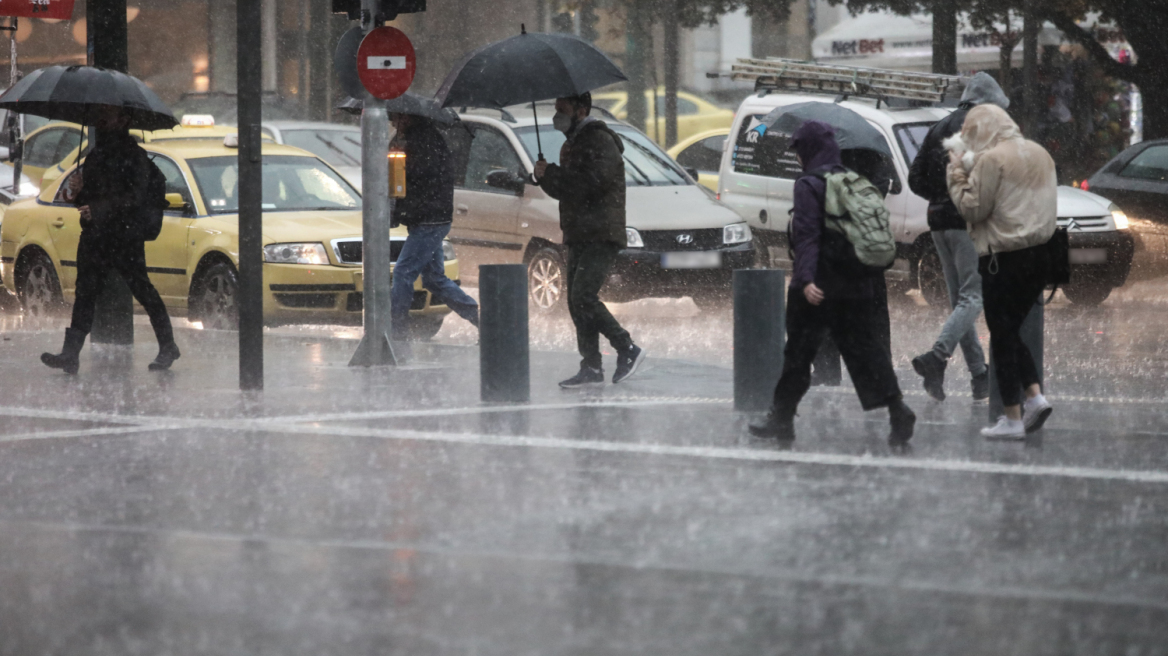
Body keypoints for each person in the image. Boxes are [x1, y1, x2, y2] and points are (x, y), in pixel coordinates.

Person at [749, 120, 915, 442]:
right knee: (866, 352)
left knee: (798, 355)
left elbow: (807, 236)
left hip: (820, 285)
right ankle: (898, 410)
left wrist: (805, 279)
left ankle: (781, 419)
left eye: (798, 150)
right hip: (857, 283)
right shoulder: (852, 180)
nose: (797, 157)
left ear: (809, 150)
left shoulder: (809, 184)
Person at [41, 107, 179, 375]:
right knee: (85, 292)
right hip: (95, 237)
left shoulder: (135, 157)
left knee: (142, 289)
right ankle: (70, 354)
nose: (101, 118)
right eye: (100, 114)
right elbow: (90, 200)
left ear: (123, 120)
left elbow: (135, 198)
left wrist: (99, 209)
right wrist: (78, 192)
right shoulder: (96, 155)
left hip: (124, 237)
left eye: (108, 114)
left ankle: (168, 345)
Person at [946, 104, 1056, 439]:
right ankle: (1034, 398)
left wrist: (956, 173)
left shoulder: (993, 159)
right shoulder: (1040, 153)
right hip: (1042, 256)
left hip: (1004, 258)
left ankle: (1013, 417)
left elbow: (973, 208)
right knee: (1009, 331)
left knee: (1002, 336)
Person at [907, 72, 1011, 402]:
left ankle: (979, 376)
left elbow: (915, 178)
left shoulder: (940, 126)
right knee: (974, 296)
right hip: (967, 221)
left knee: (960, 300)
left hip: (938, 220)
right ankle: (936, 357)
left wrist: (941, 197)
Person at [534, 92, 645, 388]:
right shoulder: (572, 143)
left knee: (583, 296)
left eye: (562, 109)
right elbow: (566, 191)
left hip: (600, 232)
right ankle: (591, 366)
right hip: (579, 233)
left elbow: (592, 184)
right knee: (575, 301)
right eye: (556, 109)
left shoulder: (599, 140)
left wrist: (554, 173)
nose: (557, 115)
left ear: (581, 110)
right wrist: (545, 176)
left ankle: (626, 347)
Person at [388, 112, 480, 339]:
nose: (392, 123)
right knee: (433, 279)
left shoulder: (423, 141)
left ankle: (395, 330)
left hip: (429, 220)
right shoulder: (421, 139)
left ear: (407, 118)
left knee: (403, 272)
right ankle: (482, 319)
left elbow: (413, 179)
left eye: (395, 118)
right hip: (430, 218)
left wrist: (399, 157)